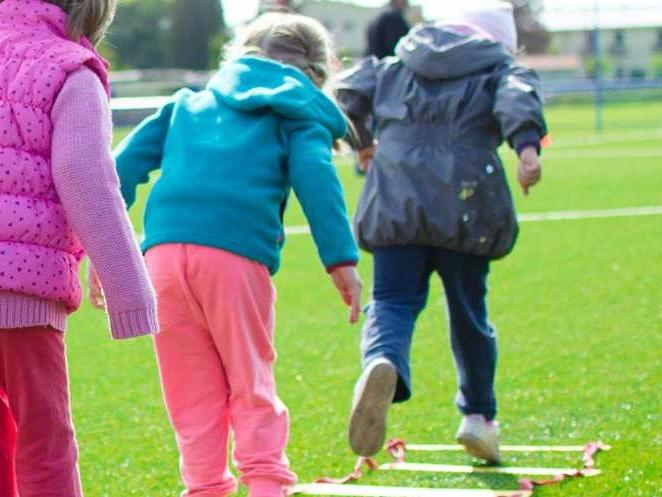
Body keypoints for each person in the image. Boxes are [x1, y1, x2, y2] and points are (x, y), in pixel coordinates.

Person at [111, 12, 362, 497]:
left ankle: (205, 487)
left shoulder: (187, 104)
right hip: (233, 259)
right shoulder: (298, 113)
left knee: (190, 390)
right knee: (250, 381)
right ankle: (266, 483)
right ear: (316, 73)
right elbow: (317, 178)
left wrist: (111, 249)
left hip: (161, 257)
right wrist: (341, 259)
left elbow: (118, 169)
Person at [336, 2, 547, 464]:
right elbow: (517, 95)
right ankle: (478, 417)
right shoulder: (496, 67)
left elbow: (349, 91)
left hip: (393, 200)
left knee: (391, 301)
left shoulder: (398, 61)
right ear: (499, 39)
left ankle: (382, 360)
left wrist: (363, 139)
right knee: (469, 312)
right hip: (466, 204)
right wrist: (527, 147)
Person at [0, 0, 159, 496]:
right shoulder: (68, 68)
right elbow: (85, 177)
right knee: (44, 441)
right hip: (21, 291)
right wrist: (131, 294)